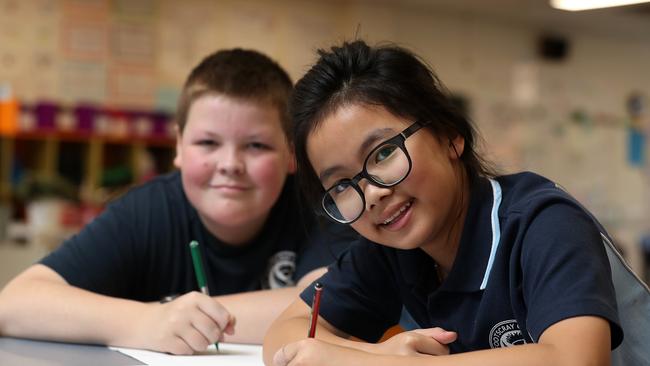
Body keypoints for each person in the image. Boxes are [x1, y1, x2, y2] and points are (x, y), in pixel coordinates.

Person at [263, 40, 624, 366]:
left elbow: (576, 359)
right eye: (342, 184)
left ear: (450, 136)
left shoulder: (543, 223)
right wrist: (374, 353)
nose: (372, 193)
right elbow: (284, 334)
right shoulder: (393, 248)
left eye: (384, 153)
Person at [0, 48, 351, 355]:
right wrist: (147, 320)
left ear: (292, 153)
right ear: (179, 147)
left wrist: (177, 313)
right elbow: (13, 304)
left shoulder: (319, 205)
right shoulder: (146, 212)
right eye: (207, 143)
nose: (229, 164)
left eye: (256, 145)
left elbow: (332, 306)